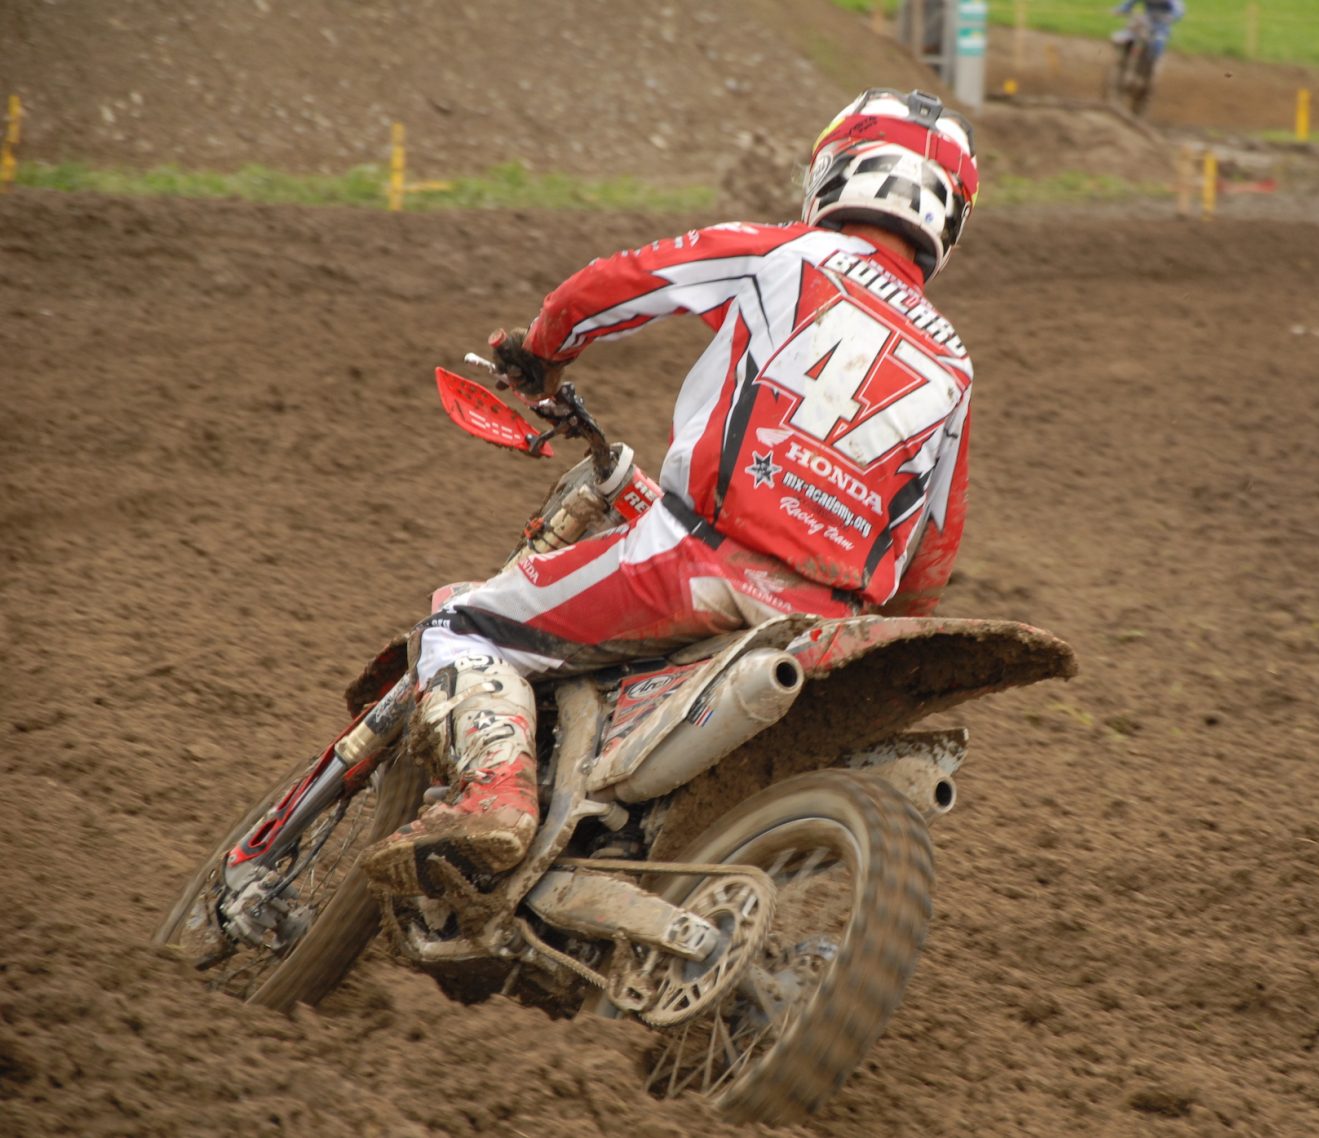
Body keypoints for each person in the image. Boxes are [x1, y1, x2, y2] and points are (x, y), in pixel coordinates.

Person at [359, 89, 980, 895]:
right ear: (947, 217)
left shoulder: (787, 254)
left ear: (838, 168)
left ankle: (496, 794)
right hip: (827, 624)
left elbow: (624, 281)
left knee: (459, 626)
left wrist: (543, 349)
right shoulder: (955, 365)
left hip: (698, 563)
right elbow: (932, 553)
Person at [1113, 0, 1186, 64]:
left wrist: (1172, 16)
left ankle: (1154, 60)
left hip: (1161, 23)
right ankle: (1125, 51)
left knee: (1159, 39)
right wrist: (1122, 9)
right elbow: (1130, 3)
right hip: (1147, 19)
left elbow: (1179, 9)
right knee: (1133, 29)